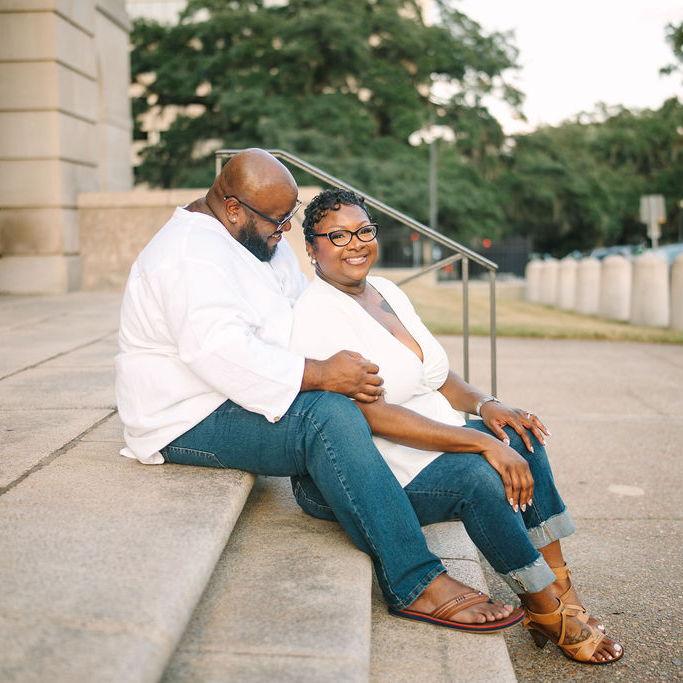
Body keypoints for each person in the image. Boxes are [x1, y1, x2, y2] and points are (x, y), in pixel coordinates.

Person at [115, 148, 524, 635]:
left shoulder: (255, 237)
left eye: (290, 215)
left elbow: (299, 309)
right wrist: (321, 372)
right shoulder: (188, 256)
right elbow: (219, 353)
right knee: (326, 414)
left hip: (241, 394)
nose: (286, 228)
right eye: (278, 220)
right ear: (234, 208)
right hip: (186, 415)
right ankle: (414, 580)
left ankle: (336, 486)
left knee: (344, 406)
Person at [288, 187, 624, 664]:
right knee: (479, 478)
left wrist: (487, 405)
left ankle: (563, 589)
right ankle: (545, 608)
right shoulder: (315, 315)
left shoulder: (386, 291)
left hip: (438, 435)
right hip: (387, 464)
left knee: (521, 436)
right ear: (312, 248)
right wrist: (479, 444)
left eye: (363, 231)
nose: (356, 244)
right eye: (337, 236)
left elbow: (439, 376)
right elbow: (373, 414)